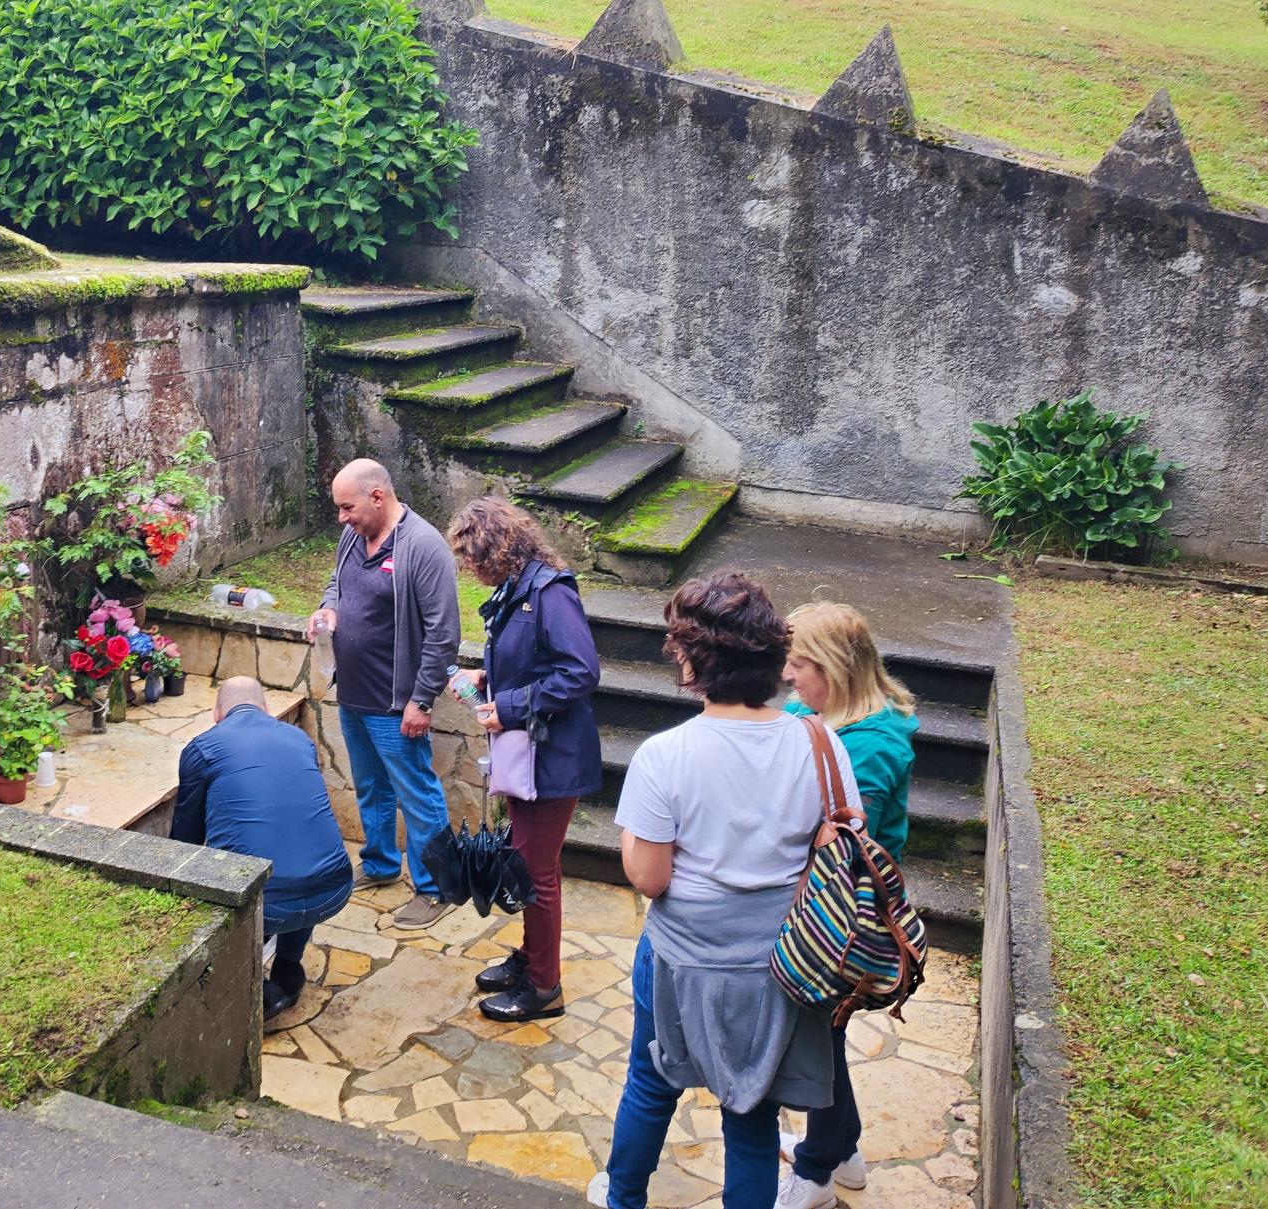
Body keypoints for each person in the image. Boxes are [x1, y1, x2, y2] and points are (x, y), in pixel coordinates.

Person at [591, 572, 860, 1209]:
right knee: (752, 1109)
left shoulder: (666, 756)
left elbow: (650, 877)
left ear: (690, 661)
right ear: (772, 659)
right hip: (782, 960)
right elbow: (844, 839)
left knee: (652, 1082)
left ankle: (623, 1195)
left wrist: (639, 838)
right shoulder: (820, 743)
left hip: (683, 957)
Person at [773, 602, 919, 1208]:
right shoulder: (818, 712)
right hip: (818, 904)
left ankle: (814, 1174)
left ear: (833, 669)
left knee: (821, 1041)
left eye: (799, 664)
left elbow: (846, 843)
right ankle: (847, 1152)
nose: (788, 676)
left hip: (842, 915)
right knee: (823, 1038)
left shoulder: (871, 749)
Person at [447, 498, 602, 1022]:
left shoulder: (551, 592)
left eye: (472, 557)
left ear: (496, 546)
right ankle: (532, 957)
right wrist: (484, 678)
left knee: (536, 873)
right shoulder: (518, 589)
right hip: (529, 754)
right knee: (528, 864)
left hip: (552, 759)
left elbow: (580, 671)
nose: (469, 568)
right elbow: (531, 659)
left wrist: (508, 708)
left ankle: (544, 988)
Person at [307, 458, 460, 931]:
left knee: (418, 794)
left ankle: (437, 889)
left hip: (397, 705)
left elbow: (443, 634)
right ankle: (379, 865)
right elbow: (336, 584)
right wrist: (327, 611)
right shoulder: (353, 535)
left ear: (378, 496)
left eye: (347, 507)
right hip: (354, 693)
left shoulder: (423, 546)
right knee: (371, 787)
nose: (341, 517)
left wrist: (422, 700)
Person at [170, 676, 355, 1022]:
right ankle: (288, 967)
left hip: (263, 906)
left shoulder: (202, 748)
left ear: (217, 713)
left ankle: (242, 974)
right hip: (334, 889)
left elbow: (186, 842)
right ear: (267, 709)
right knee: (297, 861)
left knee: (255, 884)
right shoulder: (300, 739)